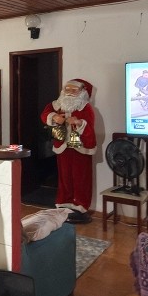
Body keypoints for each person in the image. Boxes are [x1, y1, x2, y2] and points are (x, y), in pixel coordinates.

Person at [42, 78, 97, 223]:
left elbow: (90, 126)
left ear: (82, 92)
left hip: (80, 147)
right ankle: (64, 203)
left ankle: (80, 206)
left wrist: (78, 122)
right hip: (62, 146)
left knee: (81, 177)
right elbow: (45, 114)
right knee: (64, 176)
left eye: (74, 90)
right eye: (68, 89)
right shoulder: (56, 104)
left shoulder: (85, 107)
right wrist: (54, 117)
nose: (70, 92)